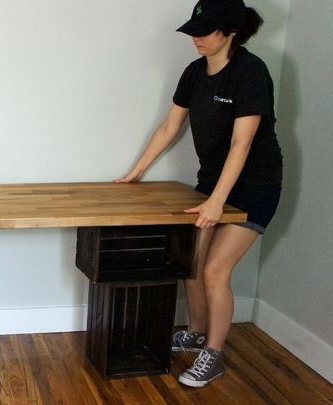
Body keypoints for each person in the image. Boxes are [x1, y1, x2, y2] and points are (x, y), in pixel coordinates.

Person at [115, 0, 283, 388]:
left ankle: (214, 354)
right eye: (194, 31)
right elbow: (169, 127)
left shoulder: (251, 73)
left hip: (255, 185)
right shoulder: (195, 72)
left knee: (213, 271)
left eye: (205, 32)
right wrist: (134, 174)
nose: (196, 39)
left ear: (231, 33)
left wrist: (217, 202)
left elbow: (242, 145)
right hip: (212, 182)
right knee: (189, 261)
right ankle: (195, 332)